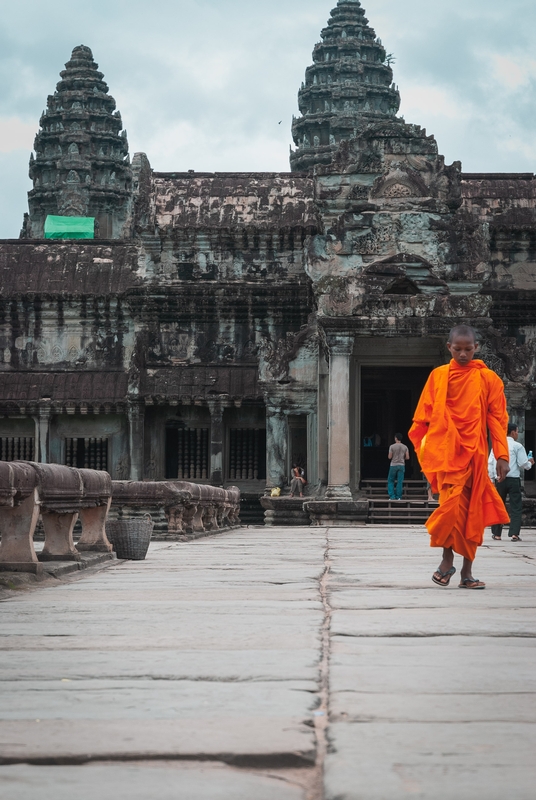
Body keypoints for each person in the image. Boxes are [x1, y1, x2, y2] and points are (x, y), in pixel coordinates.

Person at [409, 325, 510, 590]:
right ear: (448, 348)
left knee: (471, 514)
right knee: (450, 509)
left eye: (468, 349)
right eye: (457, 349)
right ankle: (446, 560)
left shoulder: (489, 380)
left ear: (477, 348)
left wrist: (501, 454)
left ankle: (466, 572)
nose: (463, 354)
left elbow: (497, 419)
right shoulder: (438, 376)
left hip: (474, 456)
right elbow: (423, 416)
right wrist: (427, 449)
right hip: (447, 455)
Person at [488, 423, 534, 541]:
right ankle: (514, 533)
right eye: (517, 432)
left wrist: (493, 478)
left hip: (500, 479)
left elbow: (491, 463)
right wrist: (530, 463)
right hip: (513, 479)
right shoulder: (517, 446)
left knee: (498, 505)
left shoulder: (497, 446)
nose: (517, 434)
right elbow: (523, 464)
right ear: (513, 432)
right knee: (516, 506)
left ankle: (497, 533)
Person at [388, 433, 409, 500]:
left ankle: (392, 496)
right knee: (400, 481)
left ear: (396, 438)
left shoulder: (392, 446)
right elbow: (407, 457)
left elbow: (390, 457)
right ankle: (399, 496)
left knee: (391, 480)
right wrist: (403, 458)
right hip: (401, 465)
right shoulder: (405, 447)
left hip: (393, 465)